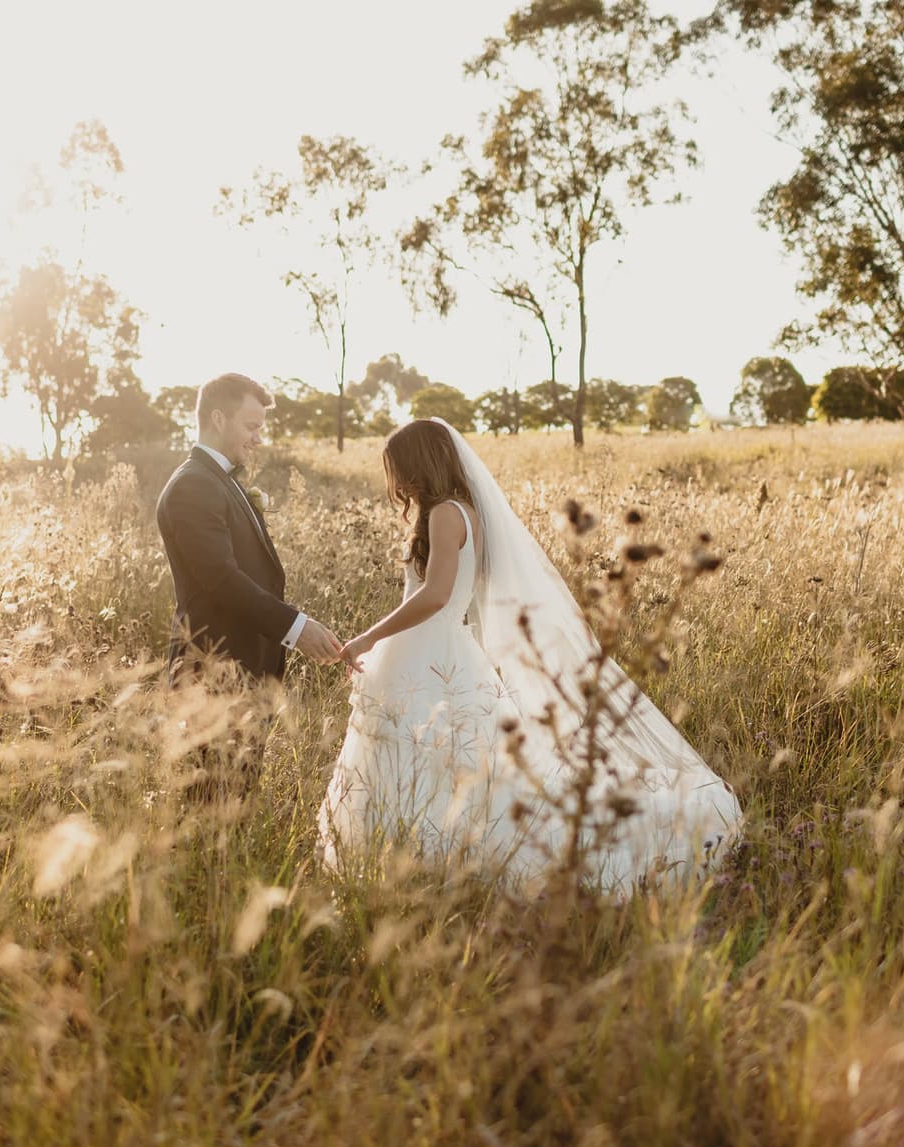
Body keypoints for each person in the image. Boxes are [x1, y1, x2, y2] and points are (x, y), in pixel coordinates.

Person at [318, 418, 742, 889]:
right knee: (444, 762)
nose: (393, 480)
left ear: (417, 464)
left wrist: (366, 639)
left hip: (428, 651)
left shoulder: (443, 514)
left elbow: (436, 595)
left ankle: (424, 856)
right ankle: (419, 853)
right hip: (445, 650)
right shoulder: (467, 511)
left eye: (395, 467)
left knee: (434, 759)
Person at [155, 373, 343, 684]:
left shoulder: (219, 479)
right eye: (251, 427)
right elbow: (221, 578)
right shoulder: (193, 485)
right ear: (218, 419)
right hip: (212, 671)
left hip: (243, 670)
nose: (258, 439)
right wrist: (295, 628)